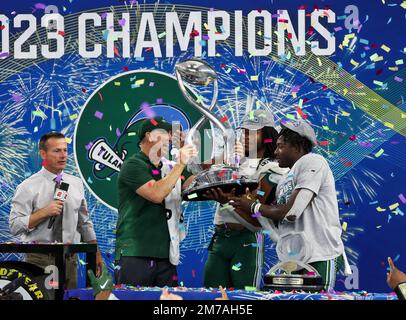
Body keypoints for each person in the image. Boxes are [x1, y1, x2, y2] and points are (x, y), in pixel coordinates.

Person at [229, 119, 345, 291]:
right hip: (293, 258)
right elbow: (275, 218)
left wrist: (253, 206)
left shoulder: (313, 161)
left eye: (281, 146)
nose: (275, 152)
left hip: (320, 255)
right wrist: (241, 202)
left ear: (297, 148)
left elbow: (292, 212)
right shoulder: (284, 179)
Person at [203, 110, 288, 290]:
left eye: (253, 131)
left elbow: (256, 211)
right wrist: (228, 155)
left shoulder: (273, 168)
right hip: (219, 238)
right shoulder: (237, 159)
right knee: (211, 297)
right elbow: (203, 168)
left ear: (267, 133)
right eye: (245, 131)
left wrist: (227, 201)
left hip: (246, 240)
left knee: (245, 299)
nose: (246, 136)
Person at [9, 132, 103, 291]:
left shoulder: (76, 183)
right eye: (57, 151)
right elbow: (14, 226)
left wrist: (96, 254)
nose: (63, 155)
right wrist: (43, 212)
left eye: (65, 150)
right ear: (43, 154)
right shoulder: (27, 187)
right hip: (39, 260)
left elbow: (84, 223)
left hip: (70, 260)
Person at [115, 116, 197, 287]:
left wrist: (214, 167)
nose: (171, 138)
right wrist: (180, 163)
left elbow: (193, 185)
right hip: (136, 253)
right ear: (150, 136)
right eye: (167, 133)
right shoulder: (133, 165)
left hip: (166, 255)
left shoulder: (169, 167)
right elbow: (156, 194)